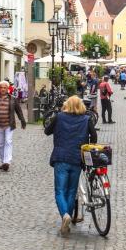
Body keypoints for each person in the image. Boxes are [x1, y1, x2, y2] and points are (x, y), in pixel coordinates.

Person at [45, 95, 98, 236]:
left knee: (60, 191)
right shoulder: (87, 120)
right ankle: (67, 216)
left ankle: (65, 216)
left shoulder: (59, 117)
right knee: (71, 191)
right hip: (76, 159)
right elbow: (94, 138)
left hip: (61, 158)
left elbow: (47, 131)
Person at [0, 80, 26, 171]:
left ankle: (7, 161)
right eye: (1, 87)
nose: (3, 89)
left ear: (8, 89)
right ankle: (3, 161)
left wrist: (22, 121)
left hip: (9, 124)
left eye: (5, 88)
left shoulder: (13, 99)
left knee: (8, 141)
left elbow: (19, 111)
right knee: (0, 144)